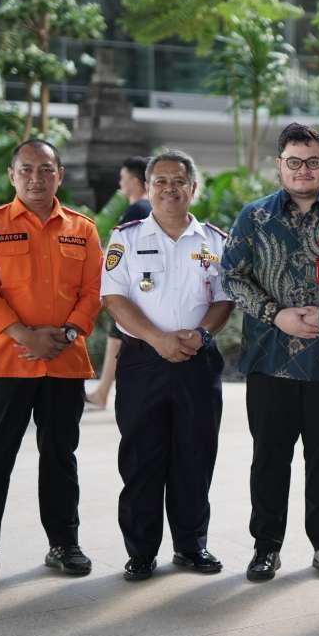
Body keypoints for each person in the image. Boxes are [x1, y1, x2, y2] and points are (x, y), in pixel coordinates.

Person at [221, 123, 319, 583]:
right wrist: (275, 315)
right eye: (293, 161)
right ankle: (265, 547)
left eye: (312, 161)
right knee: (269, 458)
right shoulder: (253, 219)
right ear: (279, 165)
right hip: (269, 359)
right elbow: (233, 276)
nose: (303, 170)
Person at [0, 139, 102, 587]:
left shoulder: (83, 229)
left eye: (45, 169)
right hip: (9, 361)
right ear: (12, 176)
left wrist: (67, 335)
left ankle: (64, 543)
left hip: (64, 362)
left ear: (59, 174)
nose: (36, 178)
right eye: (27, 170)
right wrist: (25, 336)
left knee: (60, 456)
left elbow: (92, 293)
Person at [101, 150, 233, 581]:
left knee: (195, 455)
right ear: (147, 187)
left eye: (179, 181)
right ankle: (140, 552)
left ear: (193, 188)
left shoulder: (215, 241)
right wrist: (158, 339)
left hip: (198, 359)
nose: (170, 188)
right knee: (142, 457)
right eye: (160, 181)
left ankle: (191, 545)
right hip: (143, 361)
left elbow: (223, 299)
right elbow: (114, 298)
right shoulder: (126, 237)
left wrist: (202, 334)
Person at [86, 156, 151, 410]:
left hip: (130, 288)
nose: (120, 184)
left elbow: (119, 250)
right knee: (120, 339)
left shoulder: (137, 209)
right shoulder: (149, 209)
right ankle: (103, 391)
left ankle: (103, 392)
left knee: (119, 338)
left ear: (136, 181)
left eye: (123, 179)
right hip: (139, 285)